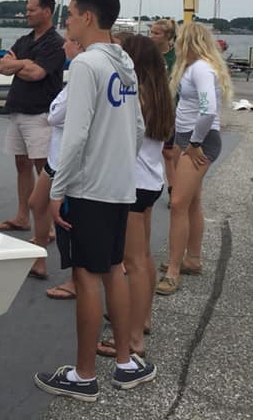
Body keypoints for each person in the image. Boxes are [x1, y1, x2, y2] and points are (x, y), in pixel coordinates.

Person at [34, 0, 153, 403]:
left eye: (69, 14)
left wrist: (58, 188)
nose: (66, 22)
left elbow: (76, 134)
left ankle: (84, 375)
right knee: (113, 269)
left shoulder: (86, 64)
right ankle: (125, 362)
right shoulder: (124, 60)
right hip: (119, 185)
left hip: (88, 188)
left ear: (87, 16)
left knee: (85, 276)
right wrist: (120, 166)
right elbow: (137, 127)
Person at [97, 34, 175, 359]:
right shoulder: (160, 95)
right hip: (150, 180)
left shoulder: (134, 97)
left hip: (131, 184)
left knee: (133, 262)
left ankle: (133, 340)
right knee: (143, 256)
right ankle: (142, 319)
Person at [156, 22, 232, 296]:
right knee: (192, 201)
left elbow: (208, 110)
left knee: (178, 203)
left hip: (197, 140)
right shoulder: (197, 67)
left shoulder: (200, 69)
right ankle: (193, 258)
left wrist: (196, 143)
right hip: (187, 137)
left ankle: (173, 271)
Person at [0, 0, 65, 232]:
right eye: (27, 9)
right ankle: (22, 217)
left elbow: (37, 74)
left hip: (40, 113)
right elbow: (2, 66)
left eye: (32, 10)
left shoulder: (55, 44)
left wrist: (18, 65)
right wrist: (24, 63)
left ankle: (48, 225)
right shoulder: (24, 41)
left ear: (47, 12)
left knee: (42, 168)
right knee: (21, 164)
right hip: (18, 110)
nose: (27, 14)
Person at [26, 31, 82, 283]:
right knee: (37, 203)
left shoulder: (81, 75)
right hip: (56, 159)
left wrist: (54, 110)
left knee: (69, 218)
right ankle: (40, 258)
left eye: (68, 40)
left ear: (77, 45)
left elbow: (56, 115)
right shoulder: (76, 75)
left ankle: (76, 279)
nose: (63, 45)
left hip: (66, 161)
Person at [149, 18, 179, 204]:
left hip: (171, 109)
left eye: (156, 33)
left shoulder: (176, 56)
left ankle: (174, 189)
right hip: (152, 108)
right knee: (156, 150)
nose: (152, 36)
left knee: (170, 153)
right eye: (151, 32)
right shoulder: (149, 53)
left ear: (168, 36)